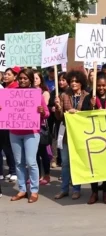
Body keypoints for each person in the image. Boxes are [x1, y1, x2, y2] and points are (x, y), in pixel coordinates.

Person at [1, 68, 49, 203]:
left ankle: (34, 190)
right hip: (14, 132)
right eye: (20, 78)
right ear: (18, 79)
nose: (22, 80)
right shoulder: (10, 93)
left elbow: (46, 113)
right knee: (19, 162)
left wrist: (42, 112)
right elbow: (4, 109)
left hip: (31, 133)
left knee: (31, 162)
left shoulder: (36, 94)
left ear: (30, 80)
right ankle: (22, 190)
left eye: (25, 78)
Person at [82, 73, 106, 205]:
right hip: (94, 138)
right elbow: (82, 116)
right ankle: (94, 192)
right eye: (98, 85)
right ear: (94, 85)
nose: (101, 88)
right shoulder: (88, 98)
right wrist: (90, 107)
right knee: (94, 165)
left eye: (103, 85)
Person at [54, 70, 89, 200]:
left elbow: (88, 115)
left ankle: (76, 189)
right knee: (65, 163)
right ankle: (64, 189)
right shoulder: (63, 95)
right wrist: (58, 108)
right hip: (66, 134)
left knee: (76, 163)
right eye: (72, 81)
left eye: (76, 81)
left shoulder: (87, 96)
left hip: (80, 135)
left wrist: (77, 113)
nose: (73, 83)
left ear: (81, 83)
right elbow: (58, 117)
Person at [0, 67, 20, 182]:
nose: (6, 76)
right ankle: (10, 170)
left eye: (9, 74)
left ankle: (13, 171)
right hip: (3, 120)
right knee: (4, 146)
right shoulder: (5, 87)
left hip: (10, 122)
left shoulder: (15, 88)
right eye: (5, 74)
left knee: (9, 147)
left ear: (14, 76)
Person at [48, 72, 69, 168]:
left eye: (63, 80)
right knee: (60, 141)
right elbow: (49, 105)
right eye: (59, 80)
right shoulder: (55, 93)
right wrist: (52, 107)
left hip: (69, 121)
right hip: (59, 122)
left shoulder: (70, 92)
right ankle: (59, 159)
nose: (61, 82)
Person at [34, 71, 51, 185]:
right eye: (33, 78)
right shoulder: (26, 91)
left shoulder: (44, 93)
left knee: (42, 152)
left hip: (40, 126)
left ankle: (47, 175)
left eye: (36, 78)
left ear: (40, 79)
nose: (34, 80)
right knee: (33, 154)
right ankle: (37, 175)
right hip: (29, 127)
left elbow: (44, 108)